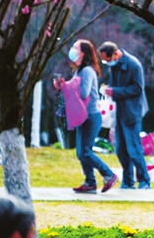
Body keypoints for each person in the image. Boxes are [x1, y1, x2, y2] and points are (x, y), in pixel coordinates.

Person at [54, 40, 118, 194]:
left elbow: (83, 93)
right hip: (83, 116)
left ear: (83, 53)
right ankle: (90, 182)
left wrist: (69, 85)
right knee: (81, 152)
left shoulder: (87, 71)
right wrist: (63, 86)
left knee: (86, 152)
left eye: (75, 48)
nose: (72, 50)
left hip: (91, 116)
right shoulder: (79, 71)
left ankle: (109, 174)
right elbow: (74, 88)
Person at [98, 41, 151, 190]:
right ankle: (127, 182)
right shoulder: (113, 68)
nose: (108, 63)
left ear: (115, 54)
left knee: (134, 148)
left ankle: (144, 180)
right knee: (121, 149)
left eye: (108, 59)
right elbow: (114, 86)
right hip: (119, 112)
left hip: (132, 112)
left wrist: (114, 92)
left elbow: (137, 88)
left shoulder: (133, 65)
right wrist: (109, 90)